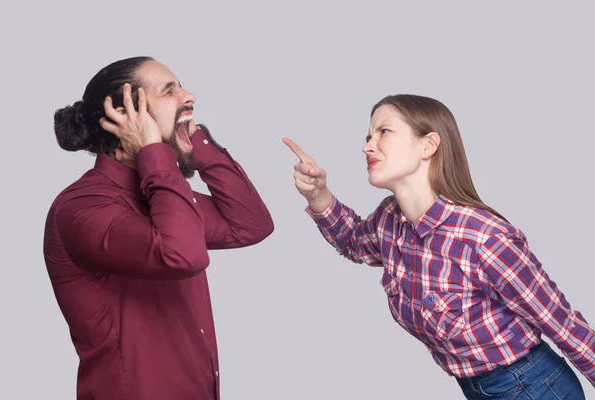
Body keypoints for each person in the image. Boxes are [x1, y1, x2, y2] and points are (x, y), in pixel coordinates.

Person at [283, 94, 594, 399]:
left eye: (384, 132)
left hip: (532, 387)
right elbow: (353, 242)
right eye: (368, 135)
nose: (367, 146)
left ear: (428, 145)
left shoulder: (483, 237)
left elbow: (561, 323)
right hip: (478, 388)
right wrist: (319, 196)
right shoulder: (389, 220)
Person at [44, 56, 274, 400]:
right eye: (170, 91)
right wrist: (154, 150)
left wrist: (193, 141)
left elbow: (250, 224)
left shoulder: (162, 194)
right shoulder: (82, 208)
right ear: (125, 118)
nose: (189, 96)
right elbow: (182, 255)